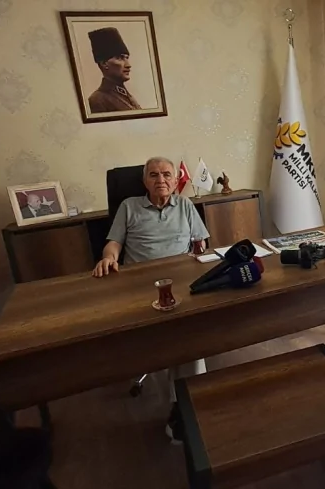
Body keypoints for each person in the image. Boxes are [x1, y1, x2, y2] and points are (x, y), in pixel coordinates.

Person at [92, 156, 210, 444]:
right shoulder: (129, 206)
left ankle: (186, 404)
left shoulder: (185, 205)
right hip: (141, 285)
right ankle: (186, 405)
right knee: (182, 335)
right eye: (154, 175)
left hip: (181, 280)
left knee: (188, 333)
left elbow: (201, 243)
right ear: (144, 181)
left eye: (167, 174)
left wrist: (200, 254)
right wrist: (108, 258)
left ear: (176, 179)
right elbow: (114, 243)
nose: (161, 180)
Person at [86, 27, 142, 114]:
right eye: (120, 58)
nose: (128, 65)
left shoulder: (126, 96)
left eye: (127, 58)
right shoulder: (97, 100)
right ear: (104, 63)